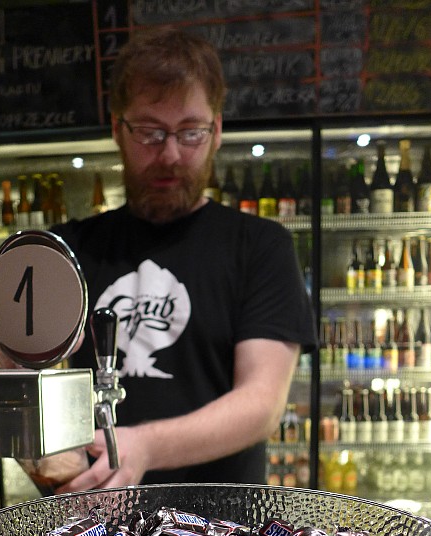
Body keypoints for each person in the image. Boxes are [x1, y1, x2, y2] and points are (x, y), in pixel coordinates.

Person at [47, 25, 317, 491]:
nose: (170, 154)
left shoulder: (261, 245)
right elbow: (24, 384)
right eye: (149, 132)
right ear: (117, 130)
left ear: (217, 131)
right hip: (94, 525)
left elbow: (261, 404)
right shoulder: (66, 252)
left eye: (190, 132)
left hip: (221, 529)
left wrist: (145, 447)